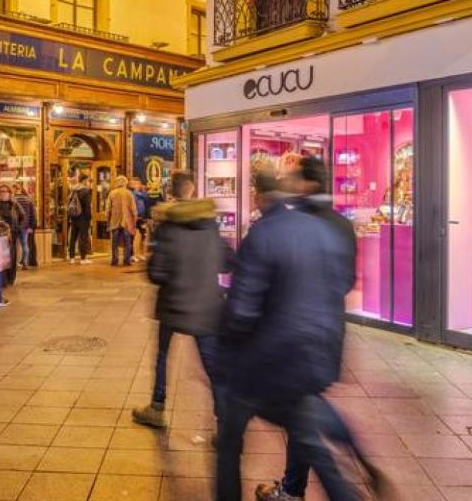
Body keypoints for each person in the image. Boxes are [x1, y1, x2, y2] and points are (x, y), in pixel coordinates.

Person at [216, 171, 358, 501]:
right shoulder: (320, 229)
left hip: (267, 358)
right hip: (314, 351)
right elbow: (339, 285)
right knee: (306, 434)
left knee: (230, 438)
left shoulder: (263, 234)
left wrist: (228, 347)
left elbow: (241, 310)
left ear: (259, 196)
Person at [133, 171, 231, 428]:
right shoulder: (211, 226)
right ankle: (224, 420)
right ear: (192, 189)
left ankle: (157, 407)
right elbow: (228, 262)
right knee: (212, 364)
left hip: (173, 304)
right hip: (207, 305)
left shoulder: (167, 227)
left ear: (174, 192)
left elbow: (156, 273)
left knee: (163, 355)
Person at [0, 184, 24, 287]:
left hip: (11, 236)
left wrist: (17, 228)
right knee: (0, 260)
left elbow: (22, 217)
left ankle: (10, 279)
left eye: (5, 191)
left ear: (9, 193)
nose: (2, 193)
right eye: (1, 191)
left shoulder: (14, 205)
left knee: (11, 258)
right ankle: (2, 281)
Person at [108, 175, 138, 267]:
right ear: (125, 183)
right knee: (127, 242)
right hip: (126, 222)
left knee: (114, 243)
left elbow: (108, 209)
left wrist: (108, 221)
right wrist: (134, 221)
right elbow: (133, 209)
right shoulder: (129, 194)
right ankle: (126, 260)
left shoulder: (112, 193)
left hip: (115, 221)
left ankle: (114, 260)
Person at [67, 175, 93, 264]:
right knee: (83, 237)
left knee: (73, 237)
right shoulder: (85, 191)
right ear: (85, 181)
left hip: (74, 217)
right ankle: (83, 258)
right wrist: (89, 218)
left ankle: (72, 257)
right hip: (83, 217)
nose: (88, 182)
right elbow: (87, 207)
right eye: (88, 181)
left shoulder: (73, 190)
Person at [13, 183, 37, 270]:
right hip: (25, 226)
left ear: (15, 190)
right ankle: (25, 263)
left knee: (14, 245)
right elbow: (32, 214)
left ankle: (15, 263)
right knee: (24, 244)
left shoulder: (13, 200)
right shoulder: (28, 200)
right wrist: (31, 226)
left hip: (15, 226)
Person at [130, 178, 153, 262]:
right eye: (135, 183)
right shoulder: (133, 193)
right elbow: (145, 197)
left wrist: (143, 190)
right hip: (135, 217)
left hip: (141, 217)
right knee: (134, 236)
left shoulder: (139, 193)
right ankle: (133, 255)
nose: (137, 185)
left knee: (143, 235)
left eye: (138, 183)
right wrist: (142, 190)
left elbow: (146, 198)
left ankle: (139, 254)